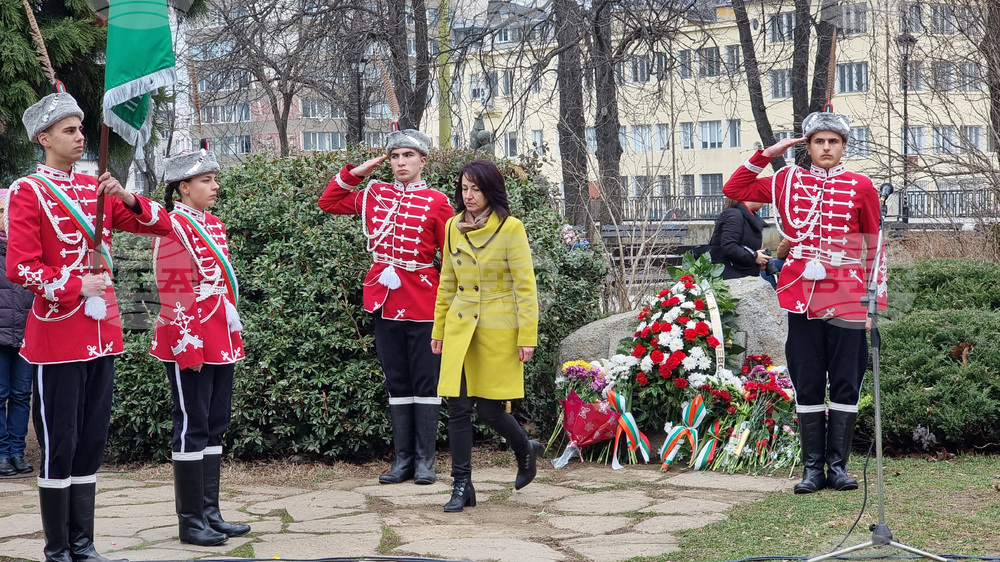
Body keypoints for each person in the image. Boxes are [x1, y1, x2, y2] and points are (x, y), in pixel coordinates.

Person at [8, 90, 170, 562]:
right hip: (58, 335)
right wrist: (76, 285)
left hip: (103, 334)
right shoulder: (29, 191)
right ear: (44, 138)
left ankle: (83, 542)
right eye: (69, 130)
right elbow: (21, 266)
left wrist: (126, 196)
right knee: (60, 443)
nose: (81, 137)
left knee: (92, 442)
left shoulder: (94, 188)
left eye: (81, 128)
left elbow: (160, 226)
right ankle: (58, 547)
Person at [722, 108, 886, 494]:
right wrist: (767, 154)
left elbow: (875, 246)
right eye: (819, 141)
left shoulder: (861, 185)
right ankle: (812, 469)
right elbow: (735, 189)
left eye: (834, 141)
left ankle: (838, 468)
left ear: (843, 147)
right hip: (802, 298)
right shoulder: (786, 181)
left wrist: (873, 303)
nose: (826, 147)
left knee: (846, 381)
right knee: (807, 380)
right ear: (808, 146)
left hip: (847, 298)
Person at [319, 130, 454, 486]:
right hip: (385, 299)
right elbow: (329, 202)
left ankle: (424, 461)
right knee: (396, 382)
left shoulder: (437, 201)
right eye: (395, 156)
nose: (400, 162)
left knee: (426, 382)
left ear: (423, 161)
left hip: (423, 300)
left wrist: (450, 305)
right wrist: (357, 173)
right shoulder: (375, 194)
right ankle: (403, 460)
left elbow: (450, 258)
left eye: (408, 155)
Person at [150, 148, 249, 546]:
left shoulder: (214, 224)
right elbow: (173, 290)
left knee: (215, 423)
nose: (215, 186)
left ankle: (210, 512)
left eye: (214, 179)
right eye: (206, 180)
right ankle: (190, 521)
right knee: (192, 425)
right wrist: (188, 347)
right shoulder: (173, 227)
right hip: (189, 337)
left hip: (219, 334)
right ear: (183, 187)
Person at [431, 159, 541, 513]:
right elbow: (447, 281)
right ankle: (461, 484)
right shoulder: (452, 226)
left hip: (498, 328)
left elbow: (525, 286)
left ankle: (524, 448)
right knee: (458, 407)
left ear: (491, 191)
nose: (469, 196)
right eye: (464, 188)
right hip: (460, 327)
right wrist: (439, 329)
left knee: (491, 410)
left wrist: (527, 336)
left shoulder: (511, 228)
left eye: (476, 189)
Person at [0, 189, 37, 477]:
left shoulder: (30, 248)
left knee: (22, 394)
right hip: (0, 336)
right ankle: (2, 453)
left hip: (27, 335)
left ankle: (17, 451)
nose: (6, 217)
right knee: (0, 394)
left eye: (9, 211)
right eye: (1, 211)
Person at [707, 197, 770, 279]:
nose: (764, 203)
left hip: (742, 273)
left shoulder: (748, 216)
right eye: (762, 196)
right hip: (731, 276)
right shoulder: (734, 214)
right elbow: (729, 247)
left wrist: (758, 260)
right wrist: (754, 257)